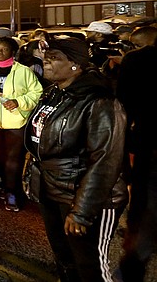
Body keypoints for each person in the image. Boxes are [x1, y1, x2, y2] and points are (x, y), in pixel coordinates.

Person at [23, 36, 127, 282]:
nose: (46, 63)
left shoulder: (100, 101)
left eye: (54, 58)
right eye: (45, 58)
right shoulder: (54, 93)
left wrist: (82, 211)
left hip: (87, 197)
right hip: (52, 191)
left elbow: (105, 160)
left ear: (75, 64)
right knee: (65, 259)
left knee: (89, 266)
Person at [0, 36, 43, 211]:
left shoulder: (24, 71)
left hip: (17, 121)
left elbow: (37, 93)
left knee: (14, 159)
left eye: (4, 49)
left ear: (12, 52)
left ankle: (12, 192)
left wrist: (18, 101)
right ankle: (7, 186)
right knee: (0, 159)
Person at [116, 26, 157, 281]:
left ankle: (133, 267)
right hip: (148, 142)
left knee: (146, 208)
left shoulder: (137, 60)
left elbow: (123, 104)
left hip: (149, 143)